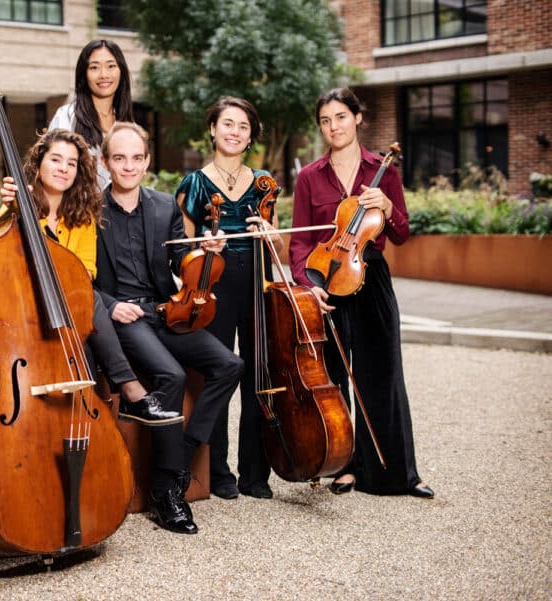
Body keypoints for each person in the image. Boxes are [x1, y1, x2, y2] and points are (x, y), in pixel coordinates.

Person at [95, 121, 244, 534]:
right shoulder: (89, 211)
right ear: (106, 163)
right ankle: (167, 491)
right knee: (172, 375)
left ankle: (182, 453)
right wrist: (110, 305)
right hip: (123, 318)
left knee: (230, 364)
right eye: (119, 158)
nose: (129, 166)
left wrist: (205, 252)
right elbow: (79, 278)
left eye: (137, 158)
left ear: (147, 161)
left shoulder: (163, 206)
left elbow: (181, 265)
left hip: (165, 311)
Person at [289, 87, 434, 499]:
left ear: (357, 118)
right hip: (327, 283)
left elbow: (402, 234)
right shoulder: (309, 177)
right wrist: (308, 285)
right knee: (335, 377)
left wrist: (387, 207)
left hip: (371, 278)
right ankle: (344, 465)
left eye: (340, 117)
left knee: (383, 375)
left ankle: (398, 475)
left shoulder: (382, 169)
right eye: (325, 120)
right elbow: (299, 243)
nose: (333, 126)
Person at [0, 128, 181, 426]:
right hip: (26, 309)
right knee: (89, 297)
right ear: (38, 164)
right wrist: (11, 213)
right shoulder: (15, 207)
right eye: (56, 160)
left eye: (71, 163)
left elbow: (85, 272)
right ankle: (130, 389)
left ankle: (97, 421)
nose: (63, 168)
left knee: (84, 302)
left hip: (71, 310)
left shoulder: (81, 217)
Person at [175, 96, 283, 501]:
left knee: (259, 375)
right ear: (213, 129)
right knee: (217, 376)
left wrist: (269, 235)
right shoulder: (194, 184)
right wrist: (202, 245)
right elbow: (181, 250)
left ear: (251, 135)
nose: (234, 132)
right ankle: (218, 471)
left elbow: (279, 248)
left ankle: (255, 473)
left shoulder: (264, 183)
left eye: (243, 126)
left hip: (257, 281)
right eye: (228, 124)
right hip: (212, 287)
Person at [49, 39, 134, 188]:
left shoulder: (127, 124)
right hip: (76, 209)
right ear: (84, 74)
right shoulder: (67, 117)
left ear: (121, 71)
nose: (104, 75)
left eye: (111, 66)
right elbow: (51, 170)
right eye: (94, 67)